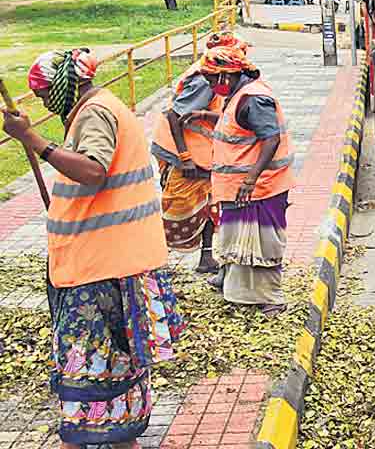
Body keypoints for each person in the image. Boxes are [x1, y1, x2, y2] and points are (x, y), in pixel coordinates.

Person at [3, 49, 184, 449]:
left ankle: (82, 440)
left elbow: (93, 171)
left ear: (66, 87)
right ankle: (123, 440)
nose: (47, 103)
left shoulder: (95, 113)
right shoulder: (102, 107)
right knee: (119, 364)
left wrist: (34, 140)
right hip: (111, 262)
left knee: (87, 366)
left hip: (101, 272)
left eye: (48, 94)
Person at [193, 45, 296, 316]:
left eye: (211, 80)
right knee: (238, 240)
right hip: (238, 189)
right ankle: (238, 290)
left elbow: (270, 138)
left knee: (261, 244)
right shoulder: (240, 95)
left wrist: (251, 179)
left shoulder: (254, 98)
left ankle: (271, 297)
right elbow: (237, 124)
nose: (210, 86)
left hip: (260, 188)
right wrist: (206, 116)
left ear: (226, 76)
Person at [150, 33, 247, 272]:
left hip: (204, 153)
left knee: (209, 204)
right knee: (177, 209)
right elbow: (176, 115)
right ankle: (153, 261)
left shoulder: (222, 75)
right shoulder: (206, 79)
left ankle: (206, 258)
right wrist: (184, 157)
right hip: (181, 152)